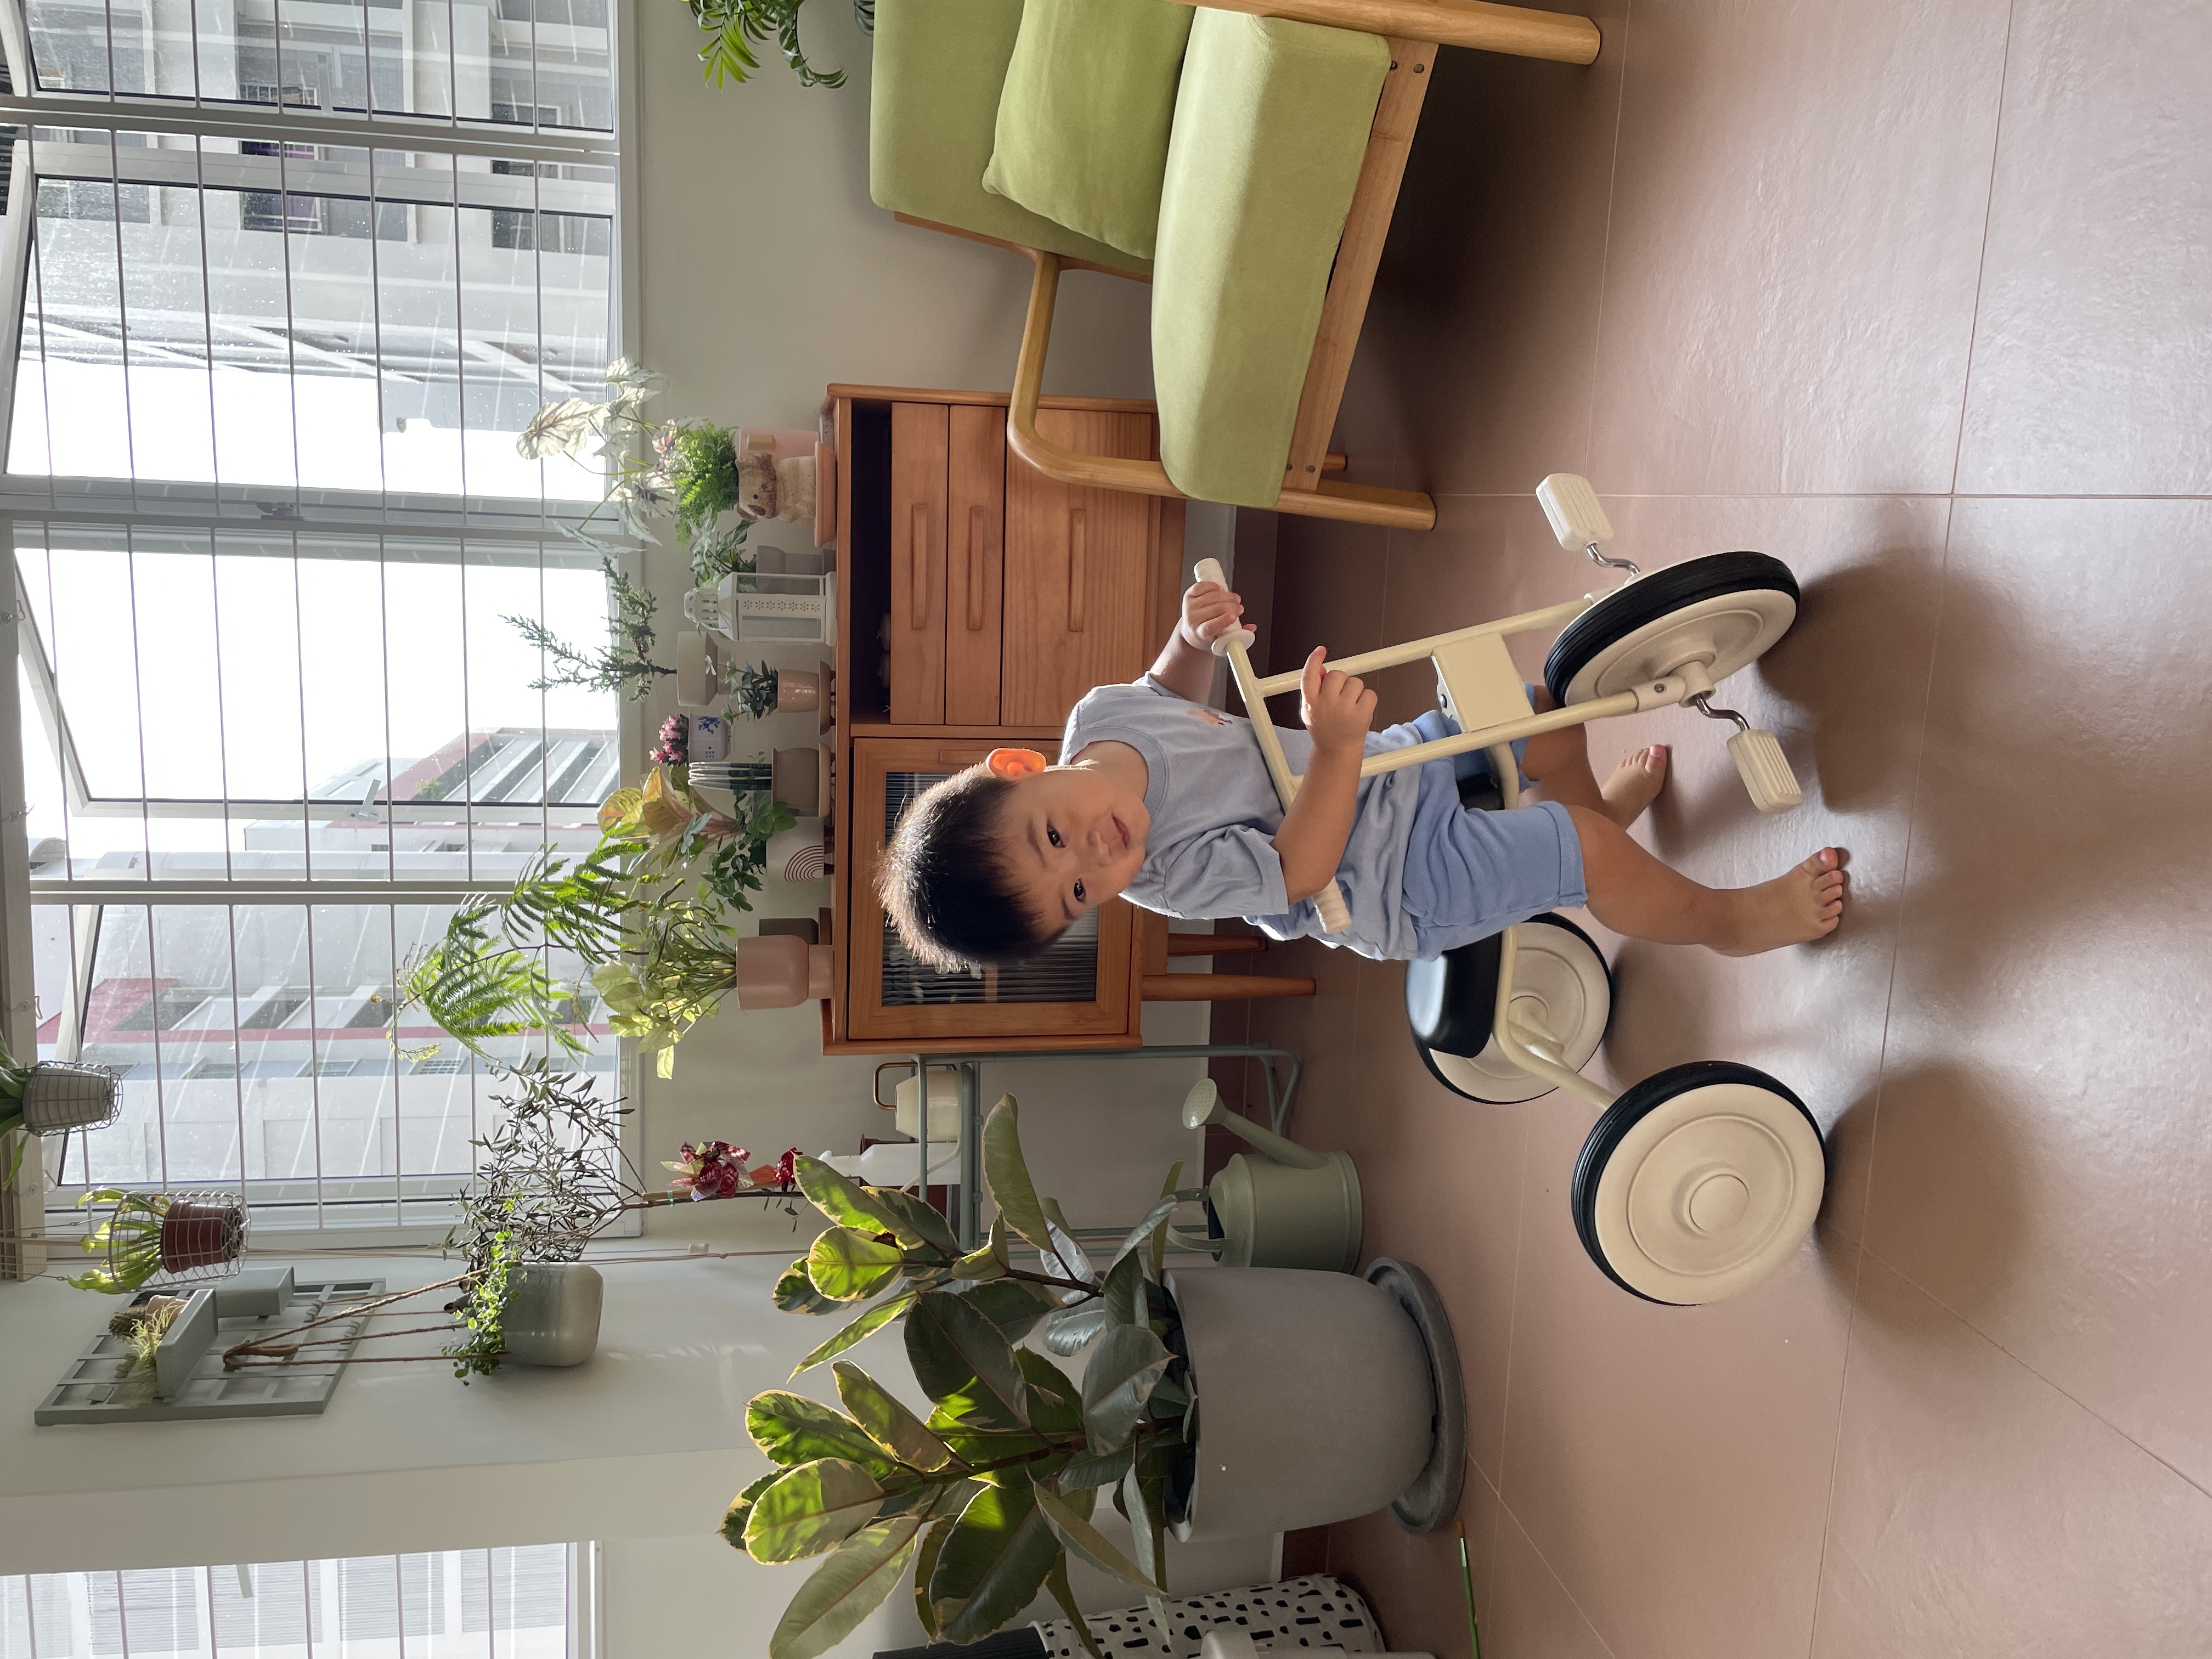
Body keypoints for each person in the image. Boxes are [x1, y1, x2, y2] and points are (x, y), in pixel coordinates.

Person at [878, 576, 1846, 972]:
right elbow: (1298, 873)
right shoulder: (1173, 876)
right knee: (1582, 849)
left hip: (1394, 773)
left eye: (1054, 836)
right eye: (1082, 892)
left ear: (1019, 768)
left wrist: (1188, 638)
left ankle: (1584, 824)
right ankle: (1725, 922)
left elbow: (1165, 694)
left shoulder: (1101, 718)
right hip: (1387, 883)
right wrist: (1334, 750)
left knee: (1543, 710)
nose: (1096, 854)